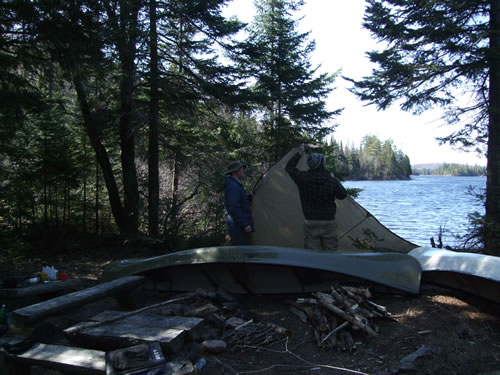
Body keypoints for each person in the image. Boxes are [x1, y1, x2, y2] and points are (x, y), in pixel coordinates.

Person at [285, 145, 347, 251]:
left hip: (310, 221)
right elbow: (342, 195)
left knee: (312, 254)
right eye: (324, 161)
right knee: (330, 252)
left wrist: (299, 153)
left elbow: (289, 167)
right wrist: (335, 179)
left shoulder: (303, 178)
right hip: (328, 221)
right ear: (321, 164)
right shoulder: (330, 180)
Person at [224, 160, 254, 245]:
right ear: (235, 171)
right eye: (241, 169)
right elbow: (233, 207)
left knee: (244, 254)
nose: (243, 170)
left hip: (238, 227)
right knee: (244, 255)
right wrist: (245, 224)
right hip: (239, 228)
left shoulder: (235, 184)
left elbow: (239, 202)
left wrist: (249, 196)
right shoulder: (233, 186)